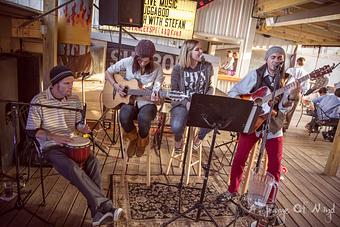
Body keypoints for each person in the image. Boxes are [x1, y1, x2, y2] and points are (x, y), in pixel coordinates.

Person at [26, 65, 123, 226]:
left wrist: (82, 127)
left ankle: (97, 213)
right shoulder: (39, 100)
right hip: (51, 146)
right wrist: (52, 136)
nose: (71, 87)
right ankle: (107, 206)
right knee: (72, 168)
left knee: (94, 163)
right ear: (55, 84)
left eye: (72, 83)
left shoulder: (74, 100)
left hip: (71, 142)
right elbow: (31, 131)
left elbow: (78, 124)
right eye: (67, 84)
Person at [219, 46, 299, 202]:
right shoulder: (255, 75)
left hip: (273, 125)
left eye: (280, 58)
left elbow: (283, 108)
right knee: (239, 158)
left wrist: (291, 97)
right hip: (252, 122)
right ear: (267, 59)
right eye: (273, 57)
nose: (277, 60)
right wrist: (248, 104)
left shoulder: (287, 80)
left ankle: (269, 200)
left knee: (275, 165)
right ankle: (232, 190)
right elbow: (233, 92)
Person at [105, 39, 164, 157]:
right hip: (129, 101)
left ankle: (142, 141)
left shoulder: (157, 69)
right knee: (124, 116)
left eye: (146, 61)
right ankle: (133, 138)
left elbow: (157, 91)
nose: (142, 63)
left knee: (143, 117)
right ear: (136, 56)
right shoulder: (128, 62)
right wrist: (116, 86)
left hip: (147, 103)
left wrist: (156, 97)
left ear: (151, 58)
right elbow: (108, 72)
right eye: (140, 60)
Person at [170, 39, 214, 152]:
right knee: (176, 125)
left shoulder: (207, 67)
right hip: (182, 103)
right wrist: (187, 102)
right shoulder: (178, 69)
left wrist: (206, 100)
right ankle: (178, 139)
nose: (201, 52)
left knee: (216, 120)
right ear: (188, 52)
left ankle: (199, 138)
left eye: (201, 49)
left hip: (201, 103)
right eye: (197, 49)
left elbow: (210, 86)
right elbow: (174, 91)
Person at [283, 57, 308, 131]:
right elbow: (305, 87)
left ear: (297, 61)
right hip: (297, 92)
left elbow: (284, 80)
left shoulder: (290, 70)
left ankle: (280, 124)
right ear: (304, 63)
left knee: (283, 108)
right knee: (291, 111)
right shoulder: (306, 73)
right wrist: (301, 93)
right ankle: (285, 126)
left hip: (287, 91)